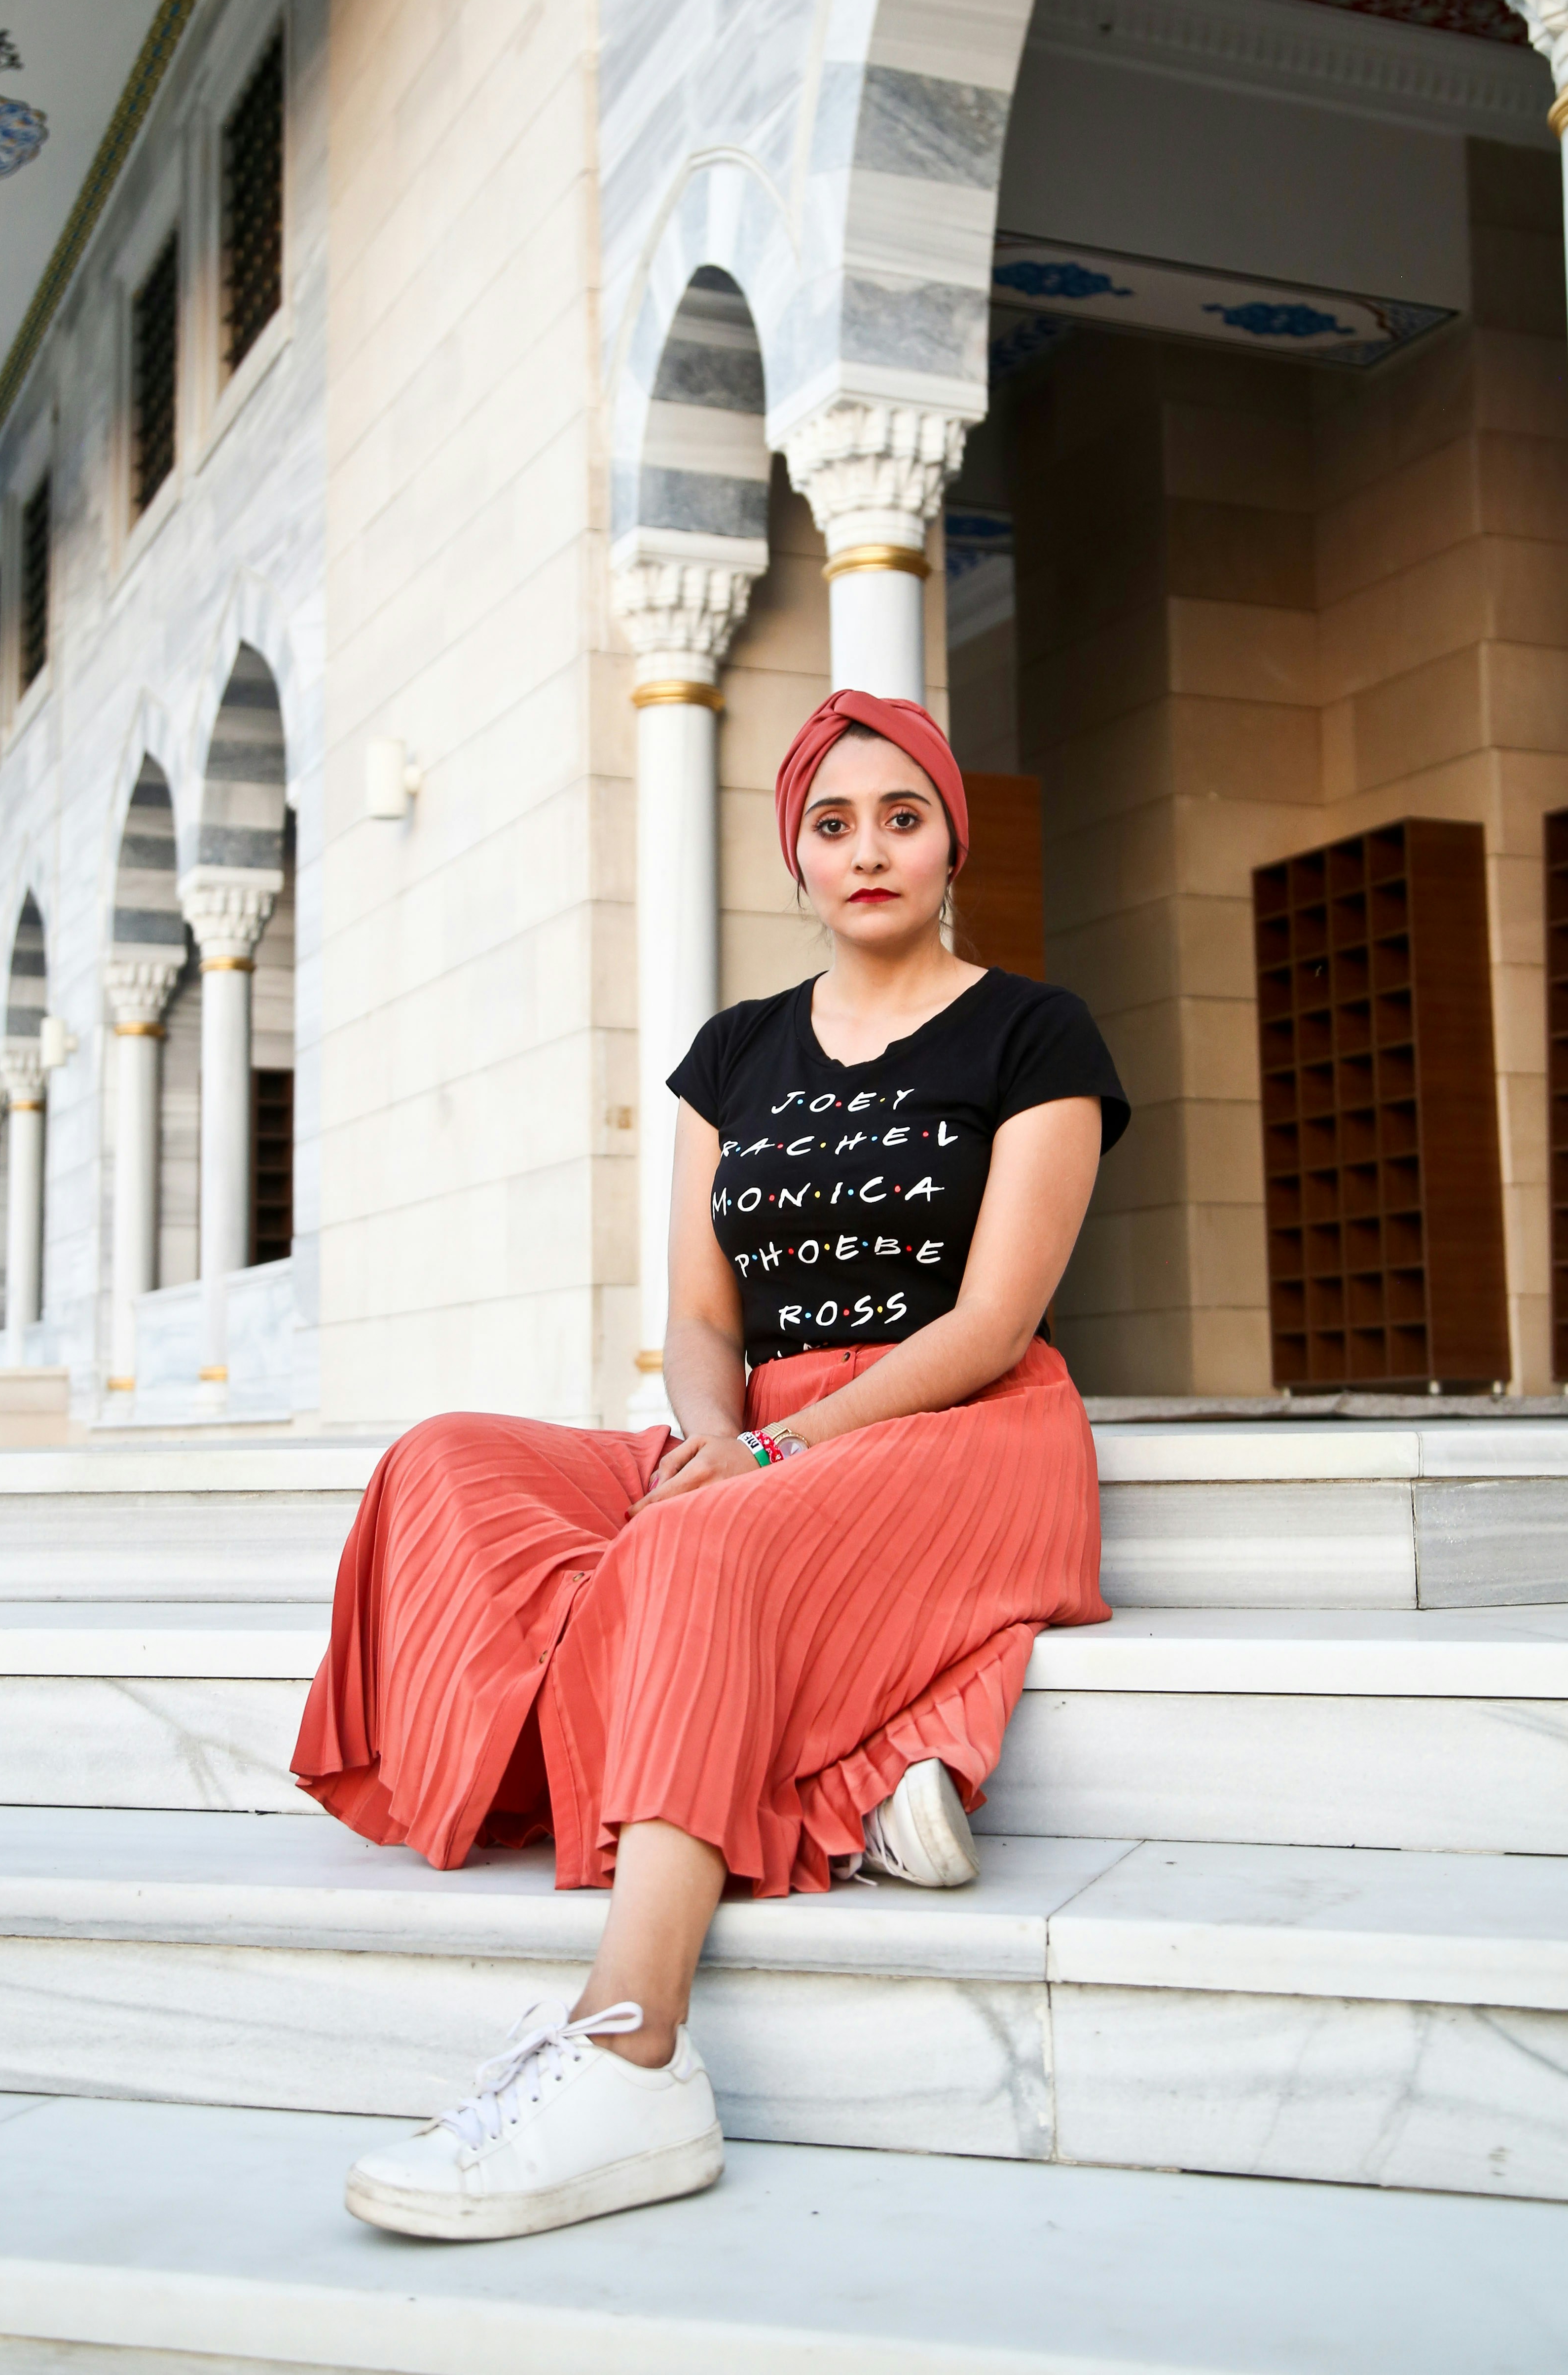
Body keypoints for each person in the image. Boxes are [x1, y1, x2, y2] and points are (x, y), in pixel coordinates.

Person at [292, 686, 1129, 2244]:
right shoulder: (731, 1054)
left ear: (954, 839)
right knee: (451, 1465)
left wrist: (769, 1450)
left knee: (688, 1551)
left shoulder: (1037, 1031)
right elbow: (696, 1310)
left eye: (902, 816)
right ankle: (834, 1756)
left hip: (958, 1424)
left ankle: (634, 2048)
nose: (868, 849)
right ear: (792, 859)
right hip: (749, 1430)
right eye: (833, 823)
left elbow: (994, 1317)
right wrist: (708, 1437)